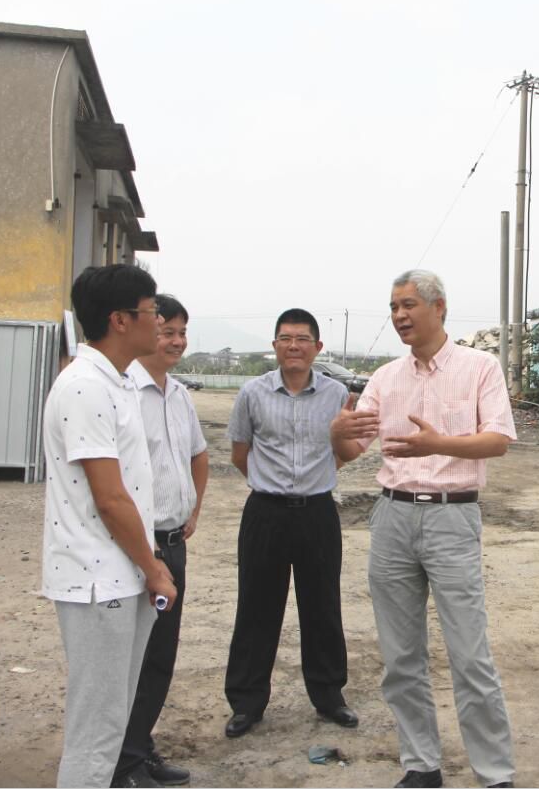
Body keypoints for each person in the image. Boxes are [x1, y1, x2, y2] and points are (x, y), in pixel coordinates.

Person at [331, 269, 517, 789]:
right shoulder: (386, 378)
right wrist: (337, 434)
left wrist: (439, 444)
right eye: (394, 307)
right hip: (392, 517)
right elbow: (351, 452)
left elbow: (498, 440)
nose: (399, 316)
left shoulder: (480, 367)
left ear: (439, 307)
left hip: (452, 517)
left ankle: (494, 773)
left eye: (409, 305)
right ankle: (420, 764)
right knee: (400, 655)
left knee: (469, 654)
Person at [42, 265, 178, 788]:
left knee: (112, 719)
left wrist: (145, 567)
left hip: (121, 575)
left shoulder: (115, 381)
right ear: (120, 320)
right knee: (96, 730)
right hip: (96, 580)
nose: (159, 322)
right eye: (152, 312)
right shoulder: (84, 386)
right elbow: (111, 497)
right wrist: (155, 567)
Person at [222, 308, 357, 738]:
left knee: (322, 606)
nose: (293, 346)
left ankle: (329, 696)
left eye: (302, 339)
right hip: (265, 514)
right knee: (256, 608)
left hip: (318, 513)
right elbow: (240, 454)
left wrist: (314, 480)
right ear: (275, 345)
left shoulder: (336, 394)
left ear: (318, 347)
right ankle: (246, 703)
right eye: (285, 338)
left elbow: (341, 452)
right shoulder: (253, 393)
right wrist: (271, 487)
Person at [112, 295, 208, 788]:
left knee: (160, 657)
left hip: (173, 545)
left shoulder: (179, 395)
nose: (177, 341)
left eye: (182, 332)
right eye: (168, 331)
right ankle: (120, 764)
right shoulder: (123, 392)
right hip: (138, 548)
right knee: (131, 659)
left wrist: (193, 509)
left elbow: (198, 455)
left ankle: (138, 747)